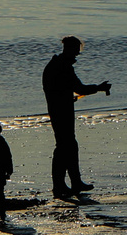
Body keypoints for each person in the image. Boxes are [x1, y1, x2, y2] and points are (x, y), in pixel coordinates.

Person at [42, 35, 110, 199]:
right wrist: (99, 88)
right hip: (61, 111)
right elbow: (80, 88)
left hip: (59, 109)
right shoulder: (63, 66)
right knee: (65, 147)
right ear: (70, 49)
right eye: (76, 51)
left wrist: (66, 96)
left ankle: (72, 183)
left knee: (68, 146)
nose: (77, 55)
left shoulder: (55, 65)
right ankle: (61, 185)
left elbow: (58, 89)